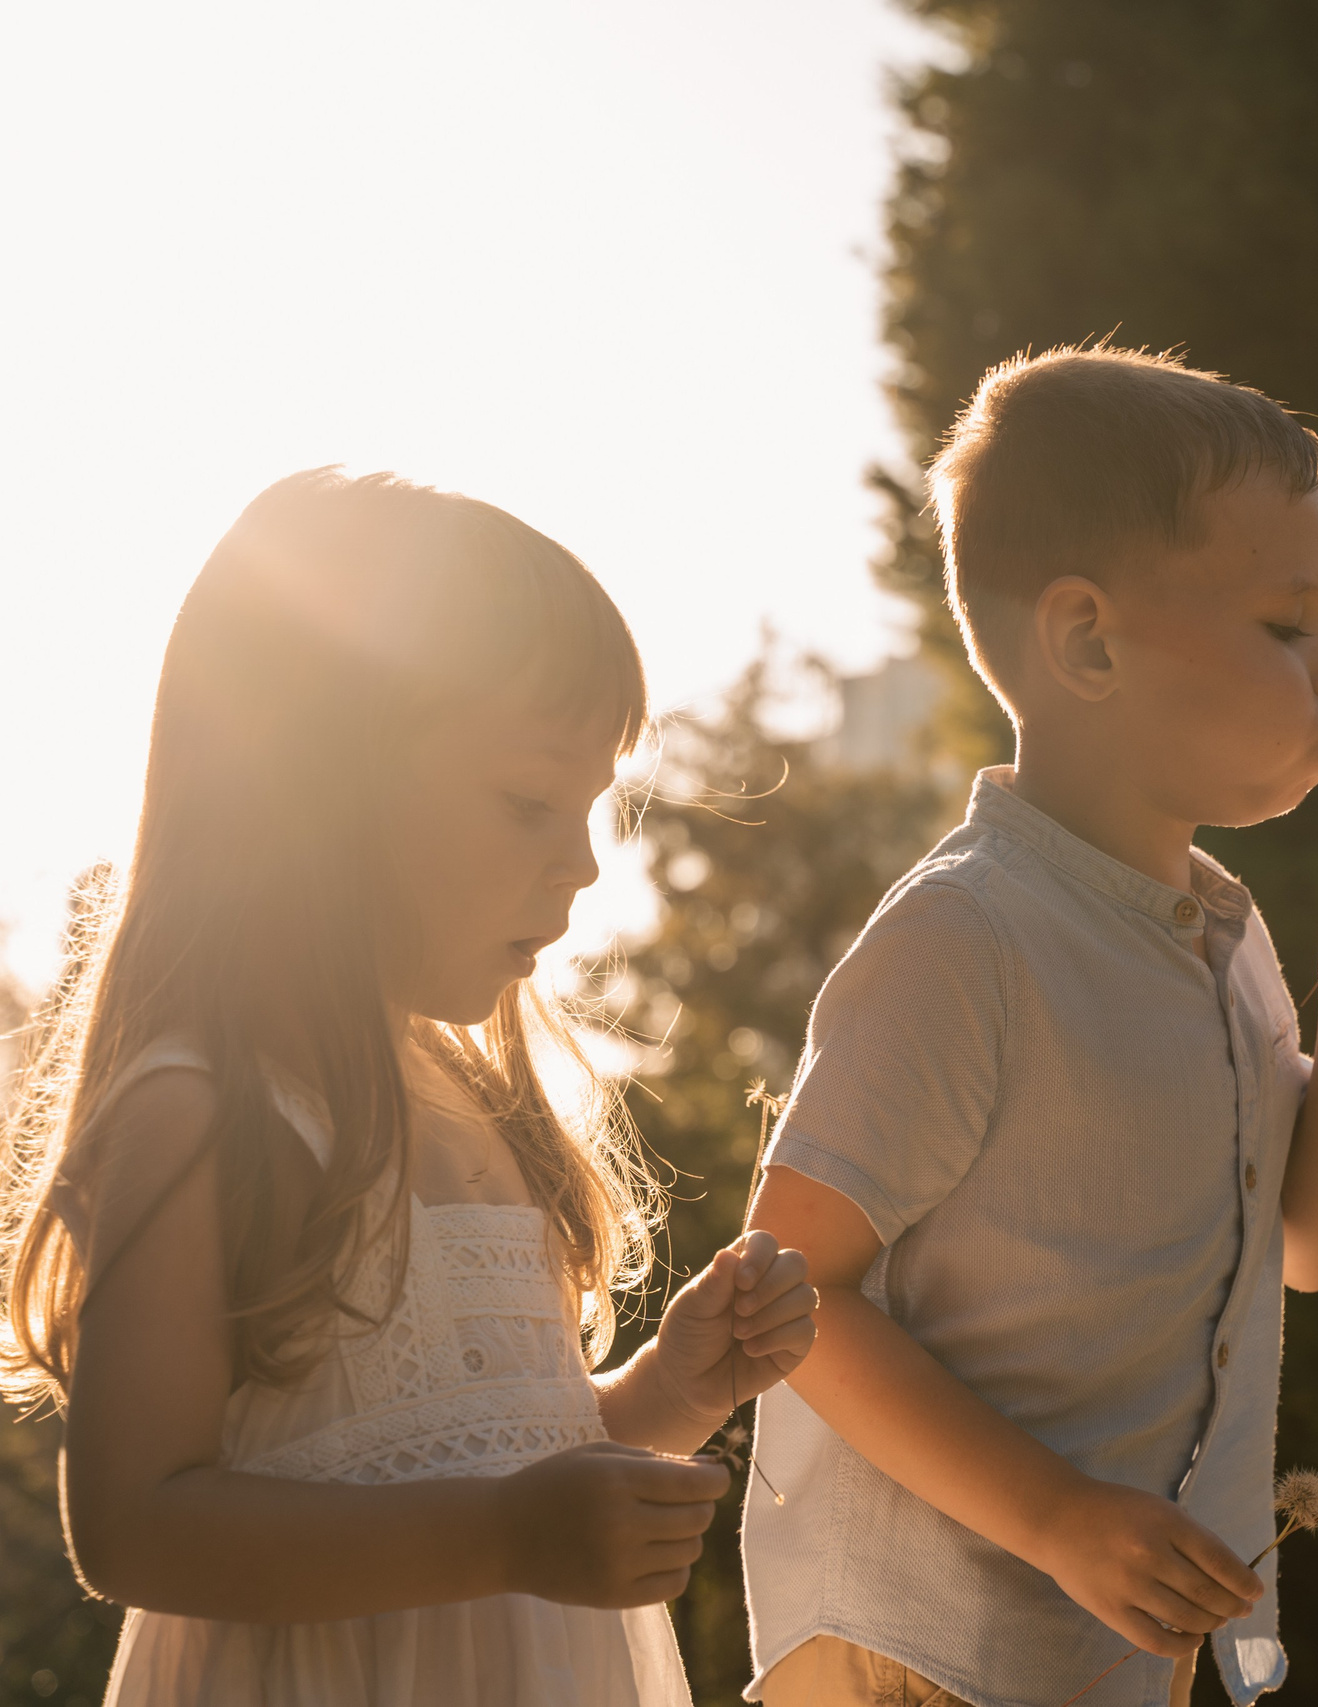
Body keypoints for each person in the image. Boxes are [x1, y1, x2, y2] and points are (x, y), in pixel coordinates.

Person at [0, 469, 820, 1706]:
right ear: (318, 791)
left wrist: (672, 1390)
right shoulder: (204, 1114)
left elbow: (497, 1455)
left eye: (590, 809)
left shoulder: (484, 1110)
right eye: (528, 801)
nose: (584, 862)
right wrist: (505, 1539)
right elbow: (134, 1527)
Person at [741, 347, 1318, 1707]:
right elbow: (788, 1296)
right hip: (922, 1652)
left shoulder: (1225, 936)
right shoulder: (969, 936)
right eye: (1286, 625)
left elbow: (1308, 1247)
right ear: (1087, 641)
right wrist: (1058, 1517)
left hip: (1106, 1653)